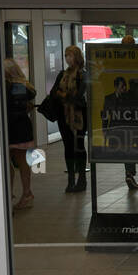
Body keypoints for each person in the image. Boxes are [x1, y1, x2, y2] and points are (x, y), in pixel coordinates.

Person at [51, 44, 88, 193]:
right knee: (68, 146)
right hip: (64, 115)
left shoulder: (82, 75)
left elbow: (78, 96)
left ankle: (82, 179)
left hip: (79, 114)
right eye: (66, 55)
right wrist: (65, 96)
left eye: (70, 55)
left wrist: (64, 95)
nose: (68, 58)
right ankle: (71, 179)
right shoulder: (62, 74)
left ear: (77, 57)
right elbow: (54, 92)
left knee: (79, 145)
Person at [4, 58, 36, 210]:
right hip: (21, 127)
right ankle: (24, 193)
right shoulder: (22, 85)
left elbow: (15, 105)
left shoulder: (13, 86)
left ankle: (12, 194)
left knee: (9, 161)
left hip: (13, 128)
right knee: (21, 161)